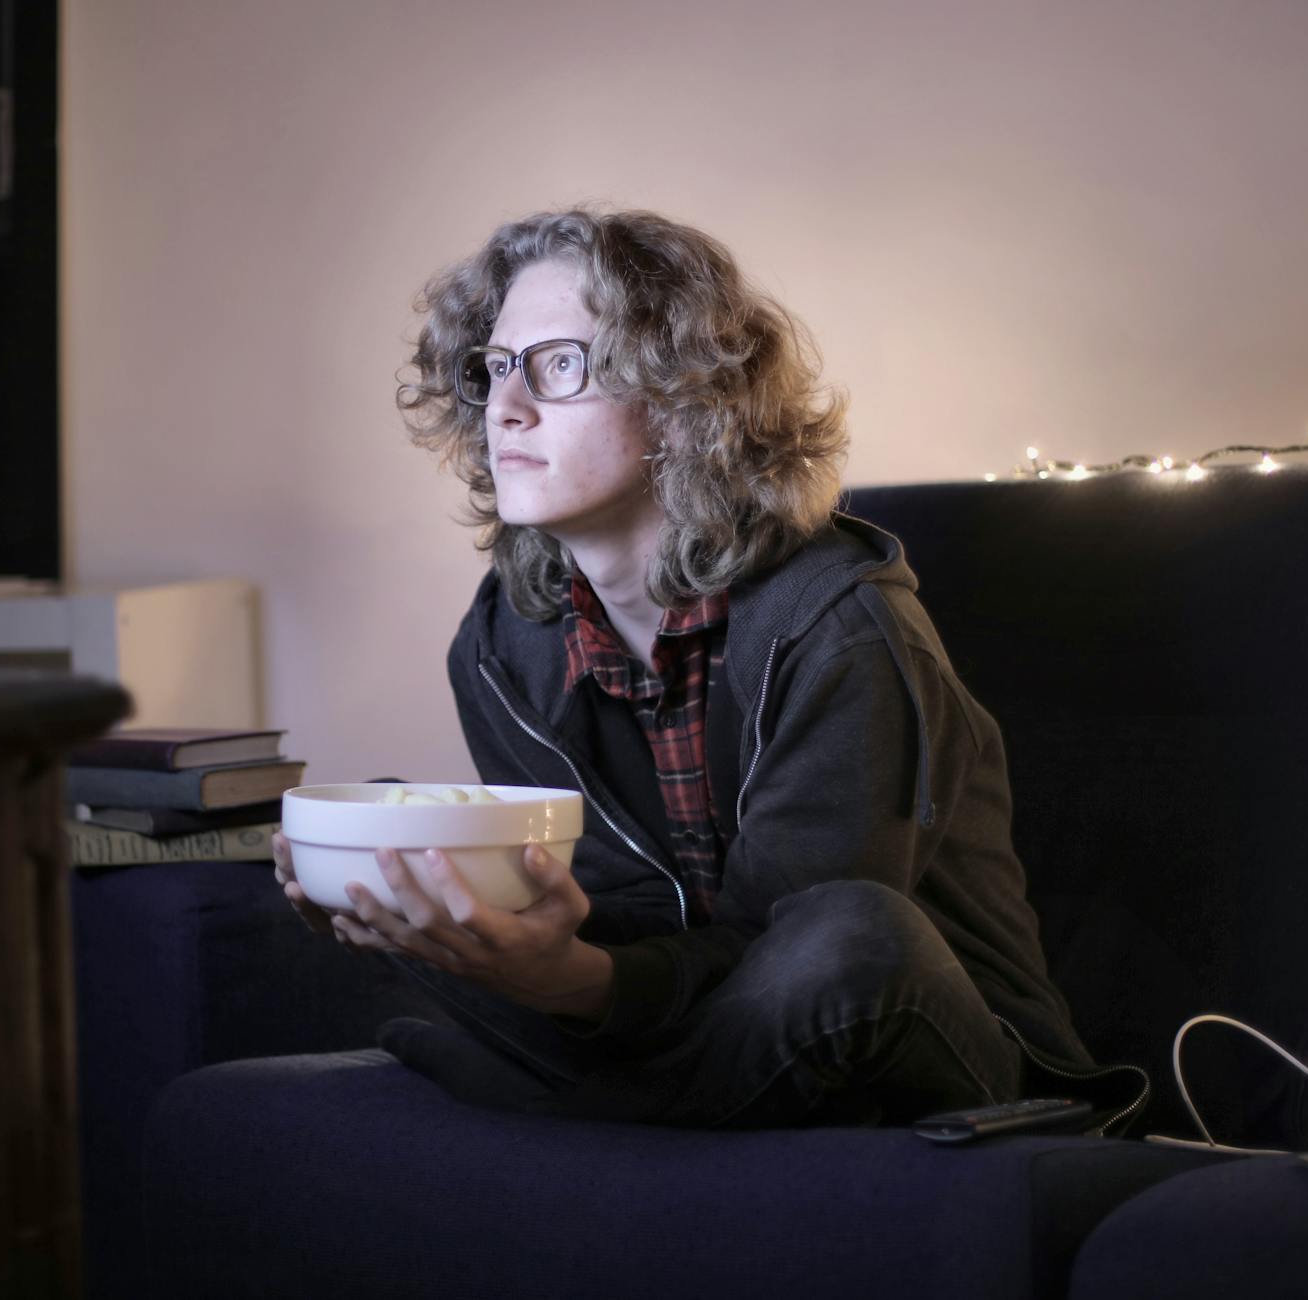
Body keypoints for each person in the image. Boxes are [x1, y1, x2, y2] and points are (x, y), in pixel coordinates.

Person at [271, 207, 1145, 1131]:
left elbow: (778, 952)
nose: (505, 407)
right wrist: (482, 931)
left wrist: (573, 984)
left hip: (932, 1047)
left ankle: (590, 1105)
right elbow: (621, 915)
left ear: (684, 402)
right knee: (394, 850)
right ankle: (624, 1102)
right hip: (678, 1023)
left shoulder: (841, 629)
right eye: (495, 367)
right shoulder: (501, 647)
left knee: (852, 936)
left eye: (559, 366)